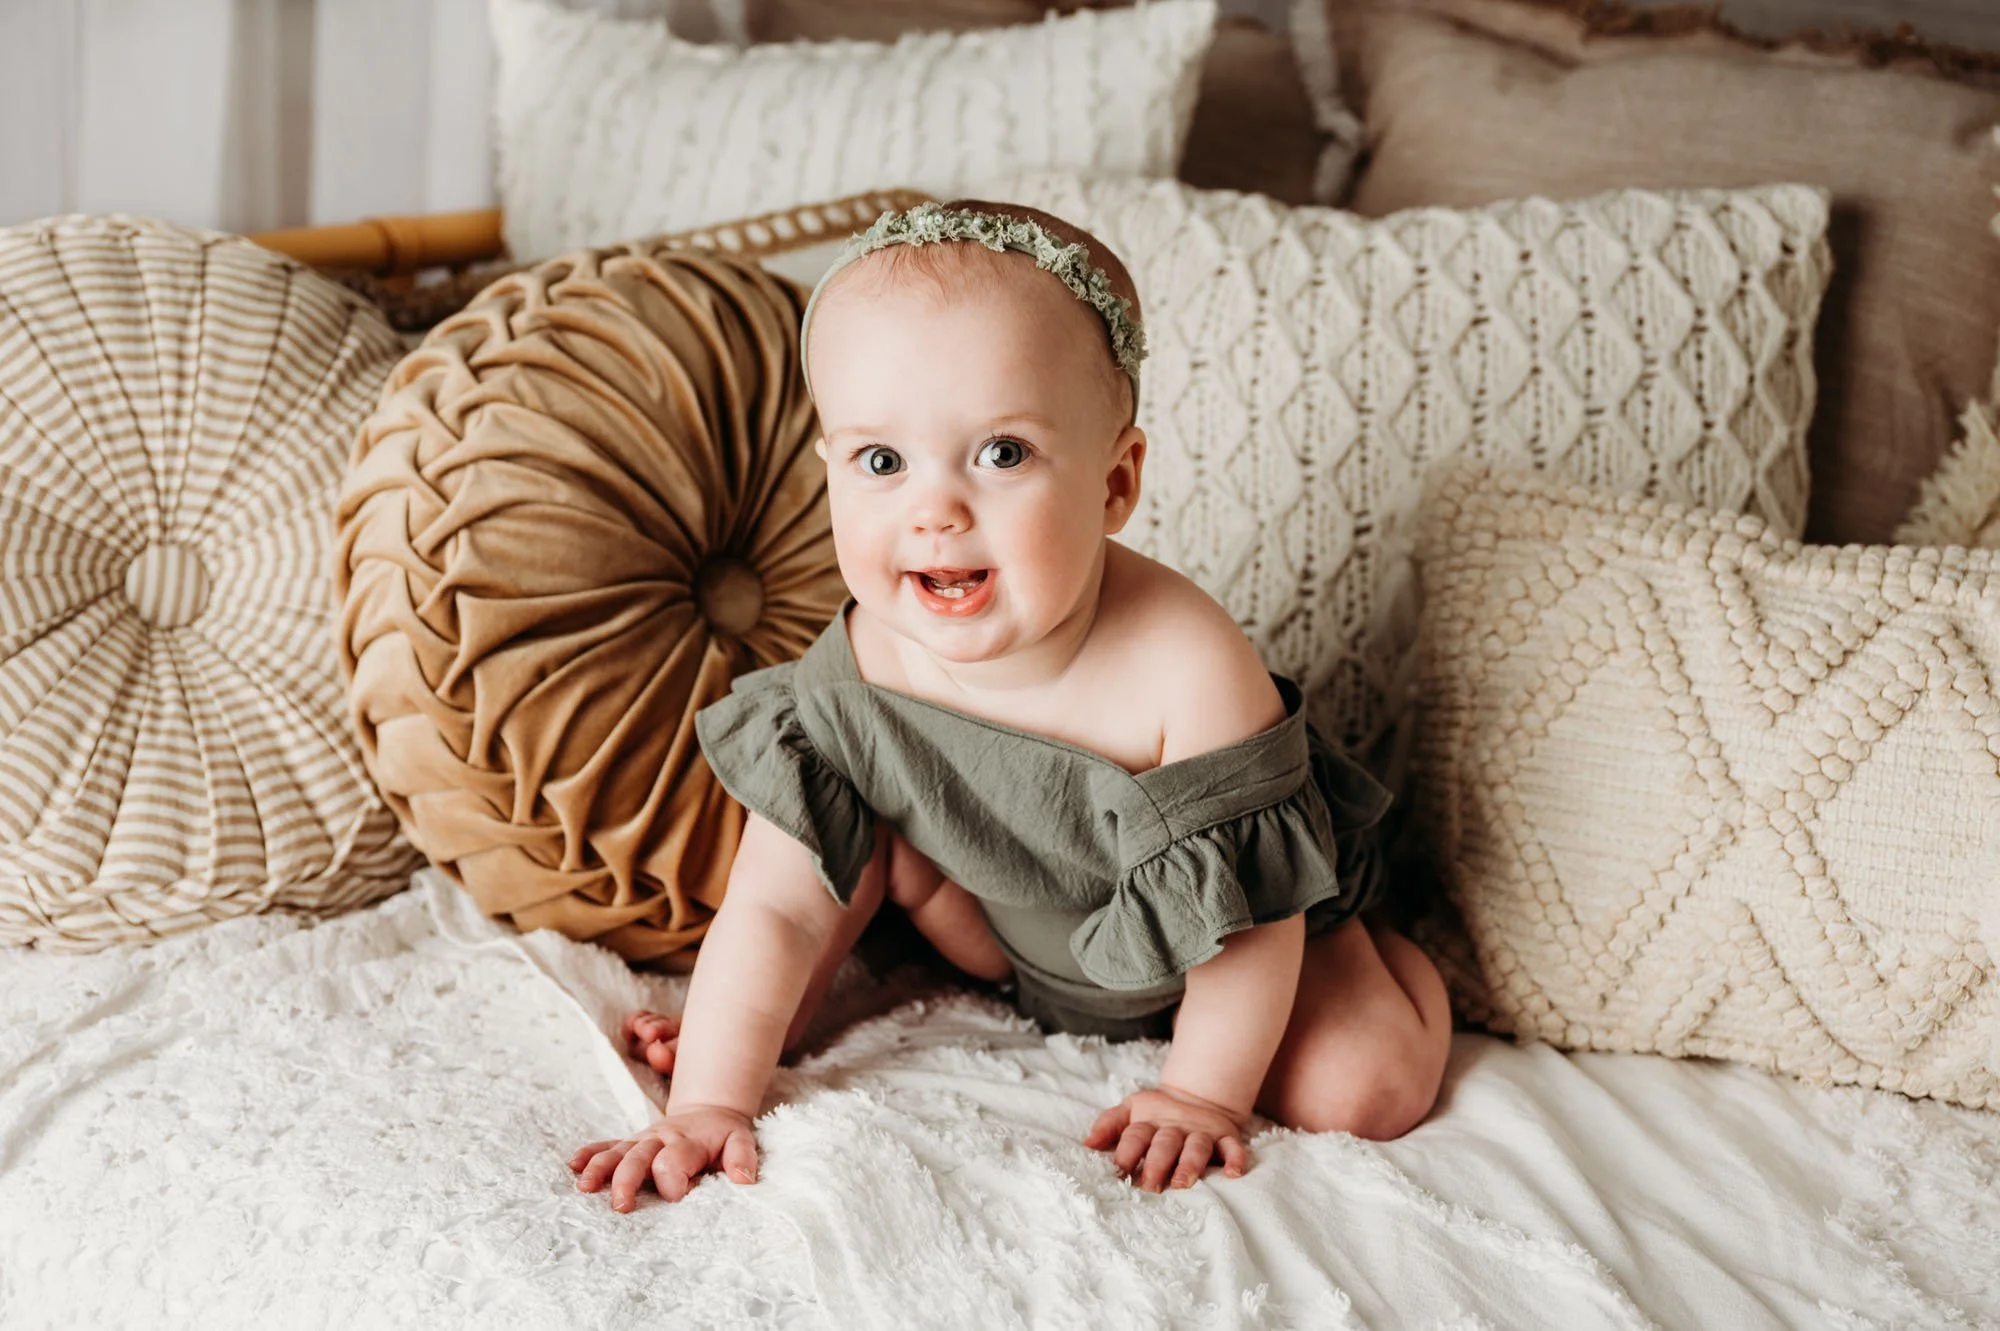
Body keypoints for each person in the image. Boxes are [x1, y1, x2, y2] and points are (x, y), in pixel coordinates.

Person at [570, 200, 1451, 1213]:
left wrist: (1198, 1093)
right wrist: (710, 1097)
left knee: (1361, 1089)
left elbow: (1248, 921)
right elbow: (774, 900)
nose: (933, 510)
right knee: (840, 849)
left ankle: (1398, 956)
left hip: (1242, 936)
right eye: (881, 462)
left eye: (1001, 454)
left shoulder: (1187, 663)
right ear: (830, 475)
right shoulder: (865, 658)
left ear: (1114, 483)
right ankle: (767, 1029)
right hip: (1019, 937)